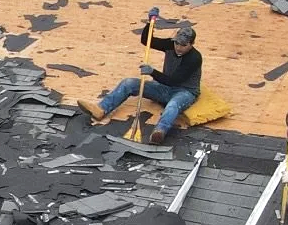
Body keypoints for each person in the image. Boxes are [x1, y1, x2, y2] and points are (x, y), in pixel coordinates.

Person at [79, 10, 201, 144]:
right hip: (164, 87)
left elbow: (174, 81)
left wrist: (152, 72)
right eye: (177, 43)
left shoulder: (194, 58)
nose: (178, 47)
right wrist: (150, 23)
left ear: (191, 44)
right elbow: (147, 41)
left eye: (183, 45)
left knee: (172, 106)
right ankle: (101, 109)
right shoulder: (171, 45)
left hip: (185, 91)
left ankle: (159, 131)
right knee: (129, 83)